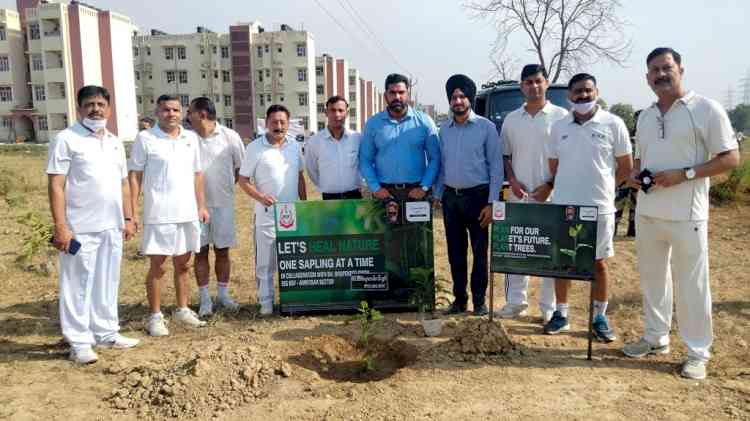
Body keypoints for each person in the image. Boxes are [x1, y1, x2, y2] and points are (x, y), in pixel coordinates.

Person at [621, 47, 740, 380]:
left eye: (667, 67)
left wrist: (684, 174)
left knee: (692, 286)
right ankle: (655, 337)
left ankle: (697, 351)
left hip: (688, 215)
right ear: (647, 77)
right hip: (648, 212)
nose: (661, 74)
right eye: (655, 70)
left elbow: (731, 158)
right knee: (653, 281)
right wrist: (635, 175)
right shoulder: (644, 115)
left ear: (680, 69)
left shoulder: (705, 109)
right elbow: (641, 160)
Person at [46, 85, 139, 364]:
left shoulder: (113, 141)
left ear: (109, 109)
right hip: (80, 227)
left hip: (111, 226)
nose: (95, 109)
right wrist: (61, 226)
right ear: (79, 108)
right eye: (89, 104)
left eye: (100, 104)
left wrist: (129, 217)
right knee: (77, 284)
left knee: (107, 281)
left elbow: (124, 183)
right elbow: (56, 184)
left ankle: (106, 331)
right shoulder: (66, 139)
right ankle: (79, 341)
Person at [544, 73, 633, 342]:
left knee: (598, 264)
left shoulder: (613, 124)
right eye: (578, 92)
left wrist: (606, 190)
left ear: (596, 91)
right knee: (563, 262)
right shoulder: (559, 127)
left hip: (600, 208)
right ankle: (561, 314)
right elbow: (554, 167)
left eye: (587, 90)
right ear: (569, 96)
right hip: (565, 206)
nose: (583, 96)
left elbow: (626, 167)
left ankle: (599, 317)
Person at [129, 94, 210, 337]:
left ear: (181, 113)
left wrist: (201, 206)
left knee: (184, 264)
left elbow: (197, 175)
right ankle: (155, 315)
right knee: (158, 266)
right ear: (157, 112)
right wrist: (131, 211)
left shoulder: (191, 138)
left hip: (187, 212)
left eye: (175, 110)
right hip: (159, 213)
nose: (171, 114)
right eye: (166, 110)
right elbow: (135, 176)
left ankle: (182, 309)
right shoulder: (145, 139)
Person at [495, 64, 568, 323]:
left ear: (546, 83)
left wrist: (549, 185)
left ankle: (548, 307)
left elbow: (567, 158)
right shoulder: (512, 119)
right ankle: (516, 301)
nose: (534, 86)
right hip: (518, 195)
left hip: (551, 196)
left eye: (538, 81)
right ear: (521, 87)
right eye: (528, 82)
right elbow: (505, 155)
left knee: (550, 252)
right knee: (517, 248)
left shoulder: (562, 117)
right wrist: (512, 180)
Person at [433, 74, 503, 316]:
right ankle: (460, 300)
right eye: (454, 97)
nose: (458, 100)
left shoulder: (486, 127)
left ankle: (480, 302)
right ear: (450, 101)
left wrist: (492, 203)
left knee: (480, 253)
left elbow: (496, 167)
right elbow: (442, 166)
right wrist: (438, 194)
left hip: (478, 198)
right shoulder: (444, 130)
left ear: (469, 99)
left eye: (462, 96)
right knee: (455, 253)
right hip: (451, 199)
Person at [238, 104, 307, 315]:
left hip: (293, 213)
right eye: (274, 122)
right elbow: (242, 180)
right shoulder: (255, 148)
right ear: (266, 123)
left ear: (288, 124)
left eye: (283, 122)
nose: (279, 126)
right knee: (266, 261)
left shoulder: (294, 146)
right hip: (267, 213)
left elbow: (300, 176)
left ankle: (295, 300)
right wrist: (260, 197)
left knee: (295, 259)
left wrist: (304, 205)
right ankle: (266, 302)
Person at [187, 97, 245, 317]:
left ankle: (223, 295)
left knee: (222, 251)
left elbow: (241, 168)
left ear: (201, 114)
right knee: (200, 252)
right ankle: (204, 299)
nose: (186, 117)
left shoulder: (230, 137)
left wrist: (227, 187)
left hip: (223, 205)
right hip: (194, 207)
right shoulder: (187, 138)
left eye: (189, 112)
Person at [359, 73, 440, 202]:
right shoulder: (373, 124)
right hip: (384, 193)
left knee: (416, 224)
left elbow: (435, 158)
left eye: (401, 92)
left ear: (408, 94)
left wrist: (424, 187)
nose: (397, 97)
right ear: (385, 95)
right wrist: (375, 188)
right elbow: (364, 159)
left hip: (417, 193)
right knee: (382, 223)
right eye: (392, 93)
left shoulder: (424, 122)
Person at [305, 96, 363, 200]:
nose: (337, 115)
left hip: (354, 196)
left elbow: (364, 164)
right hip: (329, 198)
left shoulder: (357, 138)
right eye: (333, 110)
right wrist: (326, 186)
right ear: (326, 113)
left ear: (347, 113)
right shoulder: (315, 141)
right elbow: (311, 170)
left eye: (341, 110)